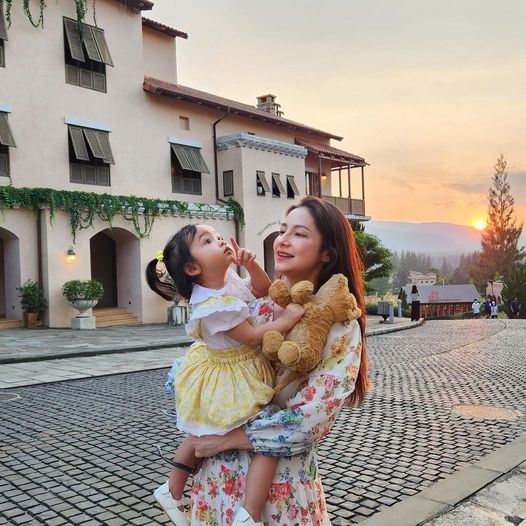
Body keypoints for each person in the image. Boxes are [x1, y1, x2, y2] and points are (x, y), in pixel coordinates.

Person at [184, 196, 369, 525]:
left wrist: (228, 438)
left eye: (299, 234)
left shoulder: (339, 326)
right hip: (217, 484)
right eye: (283, 230)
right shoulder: (253, 310)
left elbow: (312, 417)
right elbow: (212, 378)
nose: (282, 240)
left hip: (280, 490)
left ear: (327, 252)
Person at [146, 224, 304, 525]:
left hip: (232, 364)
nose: (220, 241)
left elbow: (260, 289)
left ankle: (172, 489)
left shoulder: (224, 281)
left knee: (204, 432)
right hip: (230, 371)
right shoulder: (213, 306)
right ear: (193, 268)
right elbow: (253, 336)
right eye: (208, 241)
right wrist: (288, 320)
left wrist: (251, 264)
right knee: (258, 432)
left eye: (218, 236)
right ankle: (248, 515)